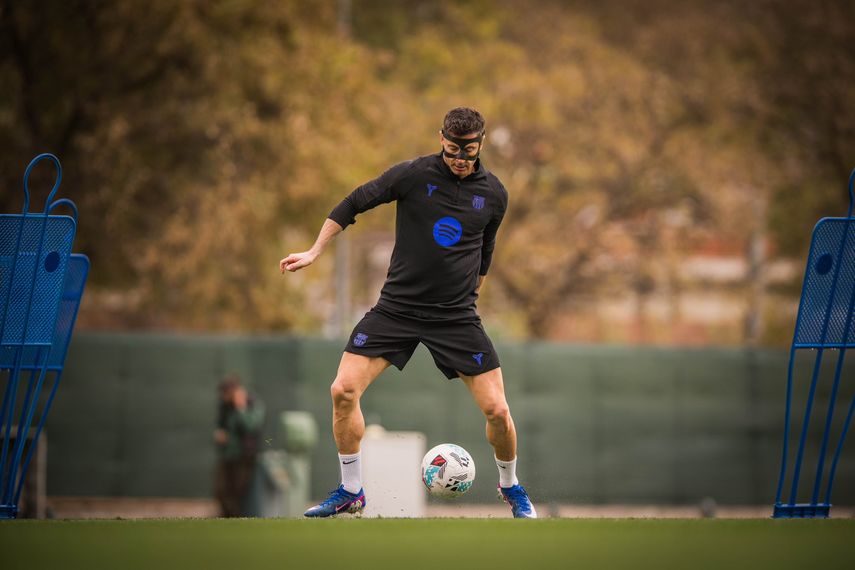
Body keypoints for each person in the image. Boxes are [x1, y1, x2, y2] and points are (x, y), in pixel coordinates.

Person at [280, 107, 536, 518]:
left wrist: (470, 300)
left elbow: (484, 255)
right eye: (452, 149)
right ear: (441, 139)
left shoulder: (494, 195)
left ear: (481, 144)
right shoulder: (414, 175)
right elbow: (354, 201)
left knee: (499, 412)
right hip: (397, 309)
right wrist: (314, 250)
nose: (459, 158)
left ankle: (511, 487)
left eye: (468, 151)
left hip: (455, 317)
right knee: (342, 391)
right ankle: (351, 490)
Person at [213, 374, 265, 517]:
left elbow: (251, 426)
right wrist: (220, 434)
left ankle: (233, 517)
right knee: (221, 489)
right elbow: (221, 425)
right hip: (227, 454)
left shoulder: (252, 404)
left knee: (238, 491)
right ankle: (225, 516)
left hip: (244, 455)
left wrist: (240, 407)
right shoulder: (224, 406)